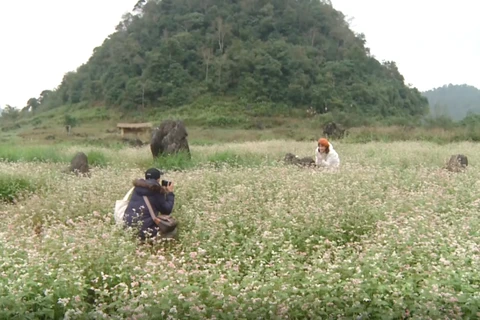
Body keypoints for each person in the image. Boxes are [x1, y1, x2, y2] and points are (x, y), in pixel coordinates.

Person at [124, 168, 176, 241]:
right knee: (171, 228)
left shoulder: (137, 188)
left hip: (128, 227)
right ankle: (155, 245)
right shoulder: (156, 190)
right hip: (144, 230)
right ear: (158, 179)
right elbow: (166, 210)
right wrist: (169, 193)